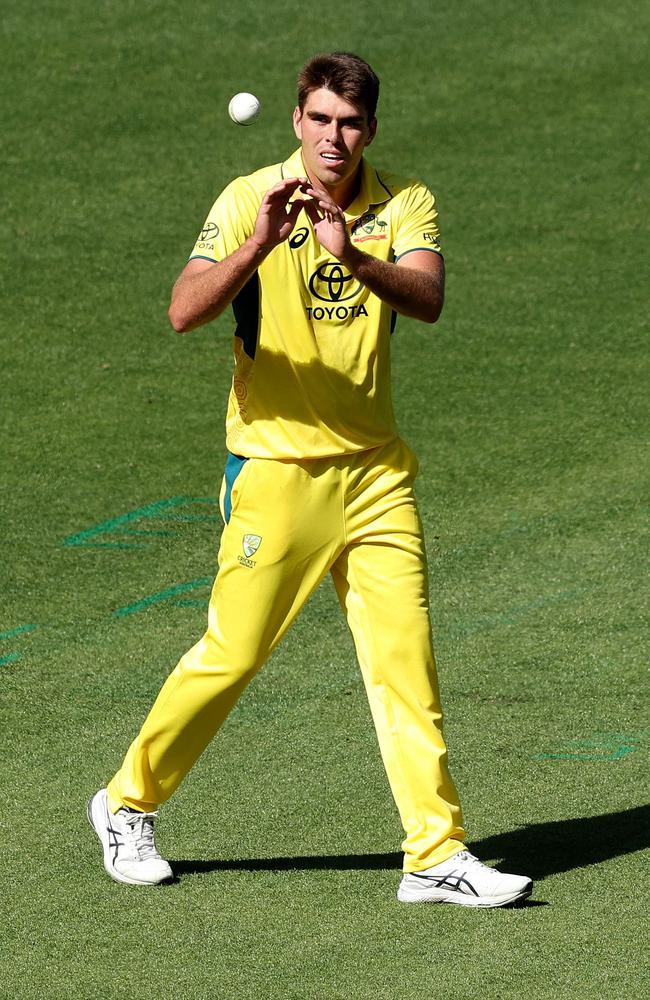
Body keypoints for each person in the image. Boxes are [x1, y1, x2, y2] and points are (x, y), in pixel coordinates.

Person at [88, 52, 532, 907]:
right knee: (232, 655)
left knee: (407, 665)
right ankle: (125, 803)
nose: (336, 137)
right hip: (277, 471)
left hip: (375, 474)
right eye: (322, 119)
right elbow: (185, 310)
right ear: (298, 119)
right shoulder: (245, 199)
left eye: (353, 123)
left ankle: (435, 854)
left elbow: (428, 299)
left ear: (371, 129)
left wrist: (354, 256)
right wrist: (261, 242)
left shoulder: (403, 203)